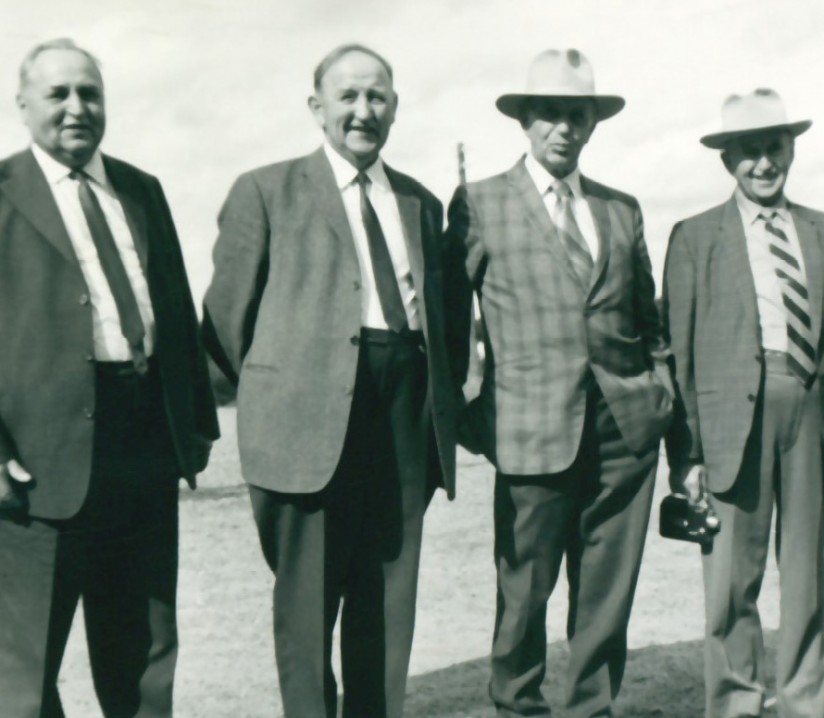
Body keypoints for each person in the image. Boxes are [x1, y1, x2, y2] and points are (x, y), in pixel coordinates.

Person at [202, 43, 463, 718]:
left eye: (377, 96)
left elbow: (445, 320)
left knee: (386, 598)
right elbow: (227, 322)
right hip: (304, 426)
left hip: (402, 419)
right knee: (309, 605)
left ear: (395, 108)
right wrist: (289, 387)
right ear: (317, 108)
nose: (363, 110)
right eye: (347, 96)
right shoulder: (265, 190)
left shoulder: (421, 204)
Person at [445, 48, 674, 718]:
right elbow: (449, 321)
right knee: (524, 592)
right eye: (549, 114)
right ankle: (517, 704)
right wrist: (472, 413)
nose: (563, 129)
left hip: (625, 433)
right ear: (524, 121)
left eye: (576, 116)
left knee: (606, 591)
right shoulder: (479, 203)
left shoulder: (621, 209)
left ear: (593, 124)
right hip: (528, 430)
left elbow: (647, 318)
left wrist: (656, 390)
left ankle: (591, 708)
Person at [0, 38, 219, 717]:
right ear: (22, 103)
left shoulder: (140, 188)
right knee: (22, 668)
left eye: (89, 93)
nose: (76, 107)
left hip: (143, 449)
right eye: (58, 94)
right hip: (37, 464)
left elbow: (177, 313)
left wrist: (195, 428)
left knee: (144, 658)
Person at [662, 88, 824, 718]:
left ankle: (805, 701)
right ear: (728, 159)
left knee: (805, 572)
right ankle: (737, 701)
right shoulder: (694, 237)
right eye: (748, 151)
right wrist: (687, 454)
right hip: (733, 422)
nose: (763, 163)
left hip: (810, 414)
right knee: (731, 578)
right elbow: (678, 353)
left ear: (791, 149)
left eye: (773, 148)